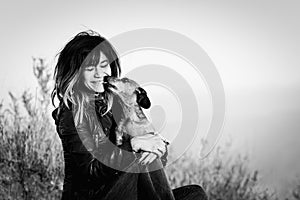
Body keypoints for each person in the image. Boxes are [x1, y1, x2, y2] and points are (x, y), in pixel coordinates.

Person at [51, 30, 208, 200]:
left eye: (103, 65)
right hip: (96, 195)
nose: (99, 73)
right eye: (90, 68)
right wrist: (132, 145)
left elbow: (153, 166)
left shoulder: (115, 102)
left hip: (128, 189)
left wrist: (157, 150)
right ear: (76, 73)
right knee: (136, 155)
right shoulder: (72, 113)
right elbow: (91, 171)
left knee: (195, 194)